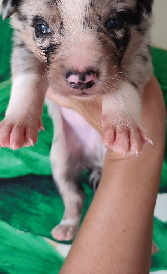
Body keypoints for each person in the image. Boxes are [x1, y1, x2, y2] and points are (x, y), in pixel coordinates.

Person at [47, 76, 166, 274]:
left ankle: (139, 236)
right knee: (64, 171)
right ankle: (71, 217)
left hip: (109, 133)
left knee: (124, 197)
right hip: (72, 137)